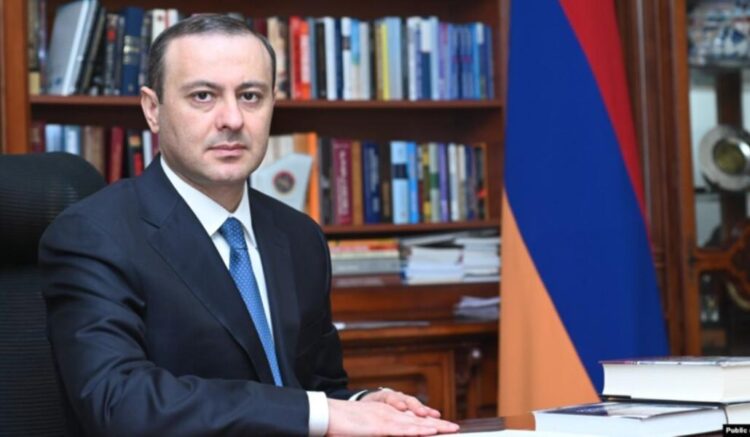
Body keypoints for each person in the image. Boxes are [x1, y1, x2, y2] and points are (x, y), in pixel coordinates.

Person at [39, 14, 460, 436]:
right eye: (203, 96)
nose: (233, 119)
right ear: (153, 110)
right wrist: (322, 413)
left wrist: (359, 404)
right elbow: (119, 401)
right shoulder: (94, 235)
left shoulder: (299, 235)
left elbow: (316, 389)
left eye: (250, 96)